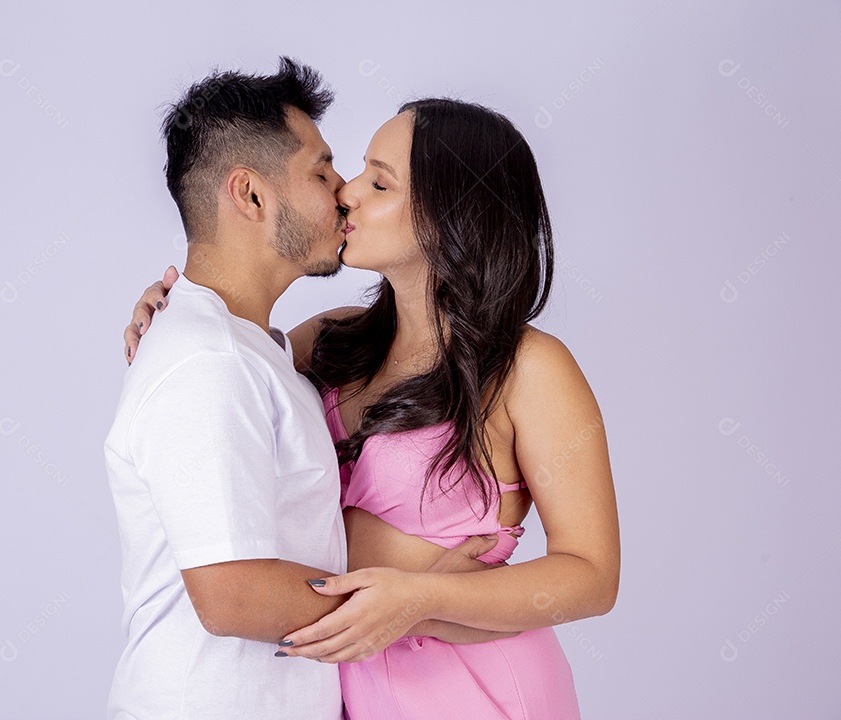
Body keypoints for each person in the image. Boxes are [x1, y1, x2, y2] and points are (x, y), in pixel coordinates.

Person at [124, 95, 620, 719]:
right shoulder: (330, 339)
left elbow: (591, 574)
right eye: (355, 171)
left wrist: (421, 601)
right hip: (348, 688)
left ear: (449, 215)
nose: (347, 194)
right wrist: (175, 308)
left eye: (378, 181)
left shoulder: (529, 368)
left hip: (477, 687)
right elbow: (231, 378)